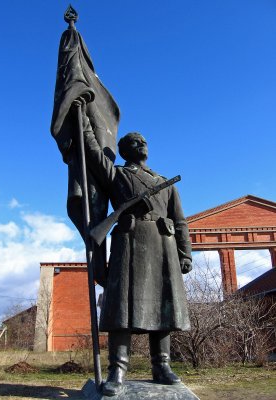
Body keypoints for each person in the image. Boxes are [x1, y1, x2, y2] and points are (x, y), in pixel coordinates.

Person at [81, 109, 192, 396]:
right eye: (135, 141)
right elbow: (93, 151)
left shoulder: (163, 181)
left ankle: (162, 366)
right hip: (129, 244)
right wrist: (82, 118)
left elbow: (180, 221)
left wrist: (185, 253)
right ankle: (117, 370)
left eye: (144, 141)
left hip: (163, 248)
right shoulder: (116, 174)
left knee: (162, 306)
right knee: (121, 309)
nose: (142, 144)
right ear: (123, 150)